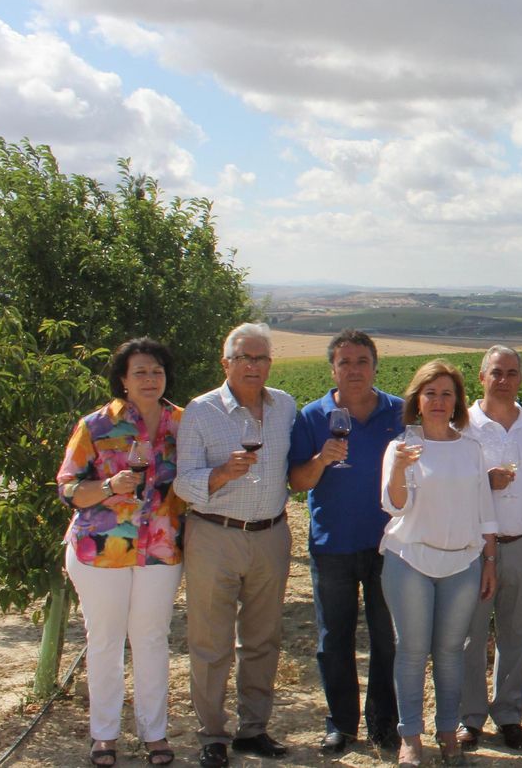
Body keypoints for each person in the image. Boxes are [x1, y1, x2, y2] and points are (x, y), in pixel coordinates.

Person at [57, 338, 185, 768]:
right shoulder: (95, 426)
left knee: (151, 639)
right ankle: (104, 736)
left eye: (157, 371)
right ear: (123, 380)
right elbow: (68, 487)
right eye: (140, 372)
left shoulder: (182, 424)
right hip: (100, 551)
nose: (150, 379)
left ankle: (155, 735)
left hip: (160, 550)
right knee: (106, 641)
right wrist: (110, 487)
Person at [174, 323, 296, 768]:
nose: (253, 365)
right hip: (214, 535)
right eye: (244, 357)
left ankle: (254, 730)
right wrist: (222, 474)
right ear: (225, 363)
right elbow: (183, 483)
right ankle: (212, 735)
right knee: (211, 641)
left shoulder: (284, 405)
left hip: (271, 535)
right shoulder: (201, 411)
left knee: (263, 640)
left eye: (261, 358)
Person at [287, 329, 404, 754]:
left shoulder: (400, 412)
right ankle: (341, 724)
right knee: (333, 639)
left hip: (387, 545)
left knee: (385, 638)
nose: (353, 370)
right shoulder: (312, 416)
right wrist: (321, 459)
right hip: (332, 545)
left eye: (361, 362)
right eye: (345, 363)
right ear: (332, 369)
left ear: (375, 365)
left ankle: (383, 724)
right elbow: (297, 482)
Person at [379, 360, 498, 768]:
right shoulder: (399, 449)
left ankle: (448, 732)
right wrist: (398, 469)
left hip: (462, 562)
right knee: (411, 651)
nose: (438, 401)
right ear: (417, 399)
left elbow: (485, 512)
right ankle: (410, 738)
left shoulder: (471, 450)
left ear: (457, 403)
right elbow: (395, 506)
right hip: (410, 559)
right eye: (431, 393)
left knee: (451, 652)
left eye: (447, 394)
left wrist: (489, 561)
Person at [458, 346, 522, 751]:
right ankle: (469, 717)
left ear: (521, 379)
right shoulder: (462, 425)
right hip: (471, 546)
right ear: (481, 376)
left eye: (512, 372)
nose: (504, 379)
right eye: (496, 372)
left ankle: (510, 714)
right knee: (469, 635)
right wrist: (482, 482)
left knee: (517, 632)